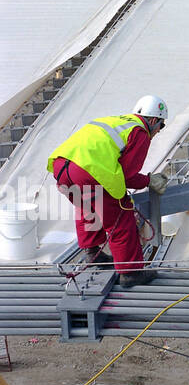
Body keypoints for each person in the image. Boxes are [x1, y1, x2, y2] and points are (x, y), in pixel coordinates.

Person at [47, 96, 169, 287]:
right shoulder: (140, 132)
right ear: (153, 120)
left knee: (88, 209)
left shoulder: (115, 120)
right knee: (121, 219)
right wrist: (148, 181)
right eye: (161, 126)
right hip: (87, 172)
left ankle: (93, 253)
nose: (159, 131)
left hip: (61, 168)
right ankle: (131, 273)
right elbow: (127, 175)